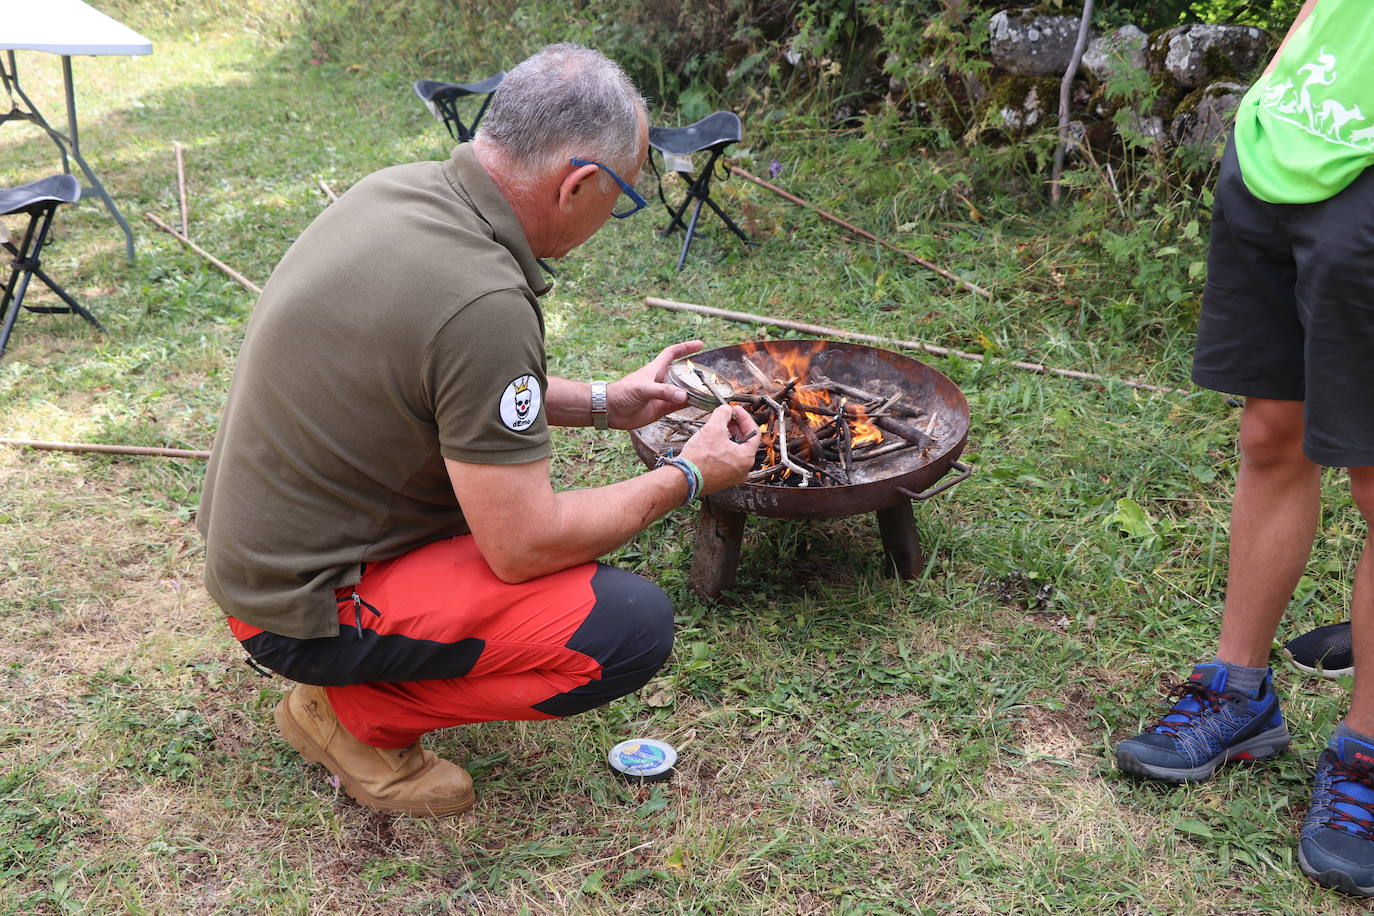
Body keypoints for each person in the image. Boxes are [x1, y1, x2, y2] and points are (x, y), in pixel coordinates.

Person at [196, 43, 759, 817]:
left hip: (258, 560)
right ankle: (352, 719)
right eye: (623, 197)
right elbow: (523, 544)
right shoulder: (483, 303)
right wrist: (689, 474)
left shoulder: (397, 193)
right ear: (580, 184)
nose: (614, 215)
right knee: (628, 628)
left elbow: (443, 385)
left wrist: (605, 400)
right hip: (299, 603)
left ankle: (359, 682)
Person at [1112, 0, 1374, 895]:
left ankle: (1367, 754)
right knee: (1271, 433)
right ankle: (1240, 692)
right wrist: (1280, 81)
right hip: (1287, 148)